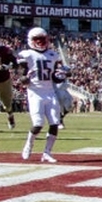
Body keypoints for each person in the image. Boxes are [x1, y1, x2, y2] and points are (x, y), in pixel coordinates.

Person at [17, 27, 64, 163]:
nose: (40, 42)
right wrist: (23, 79)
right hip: (35, 92)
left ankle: (47, 153)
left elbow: (56, 77)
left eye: (42, 39)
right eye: (37, 39)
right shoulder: (26, 54)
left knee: (55, 123)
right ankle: (29, 144)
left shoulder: (53, 55)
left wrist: (62, 75)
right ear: (31, 40)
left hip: (50, 91)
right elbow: (21, 74)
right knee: (38, 124)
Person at [53, 65, 74, 129]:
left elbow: (70, 73)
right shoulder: (53, 68)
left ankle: (61, 117)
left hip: (65, 90)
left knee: (70, 107)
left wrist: (66, 73)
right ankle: (59, 121)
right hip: (57, 90)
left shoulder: (64, 67)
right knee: (59, 107)